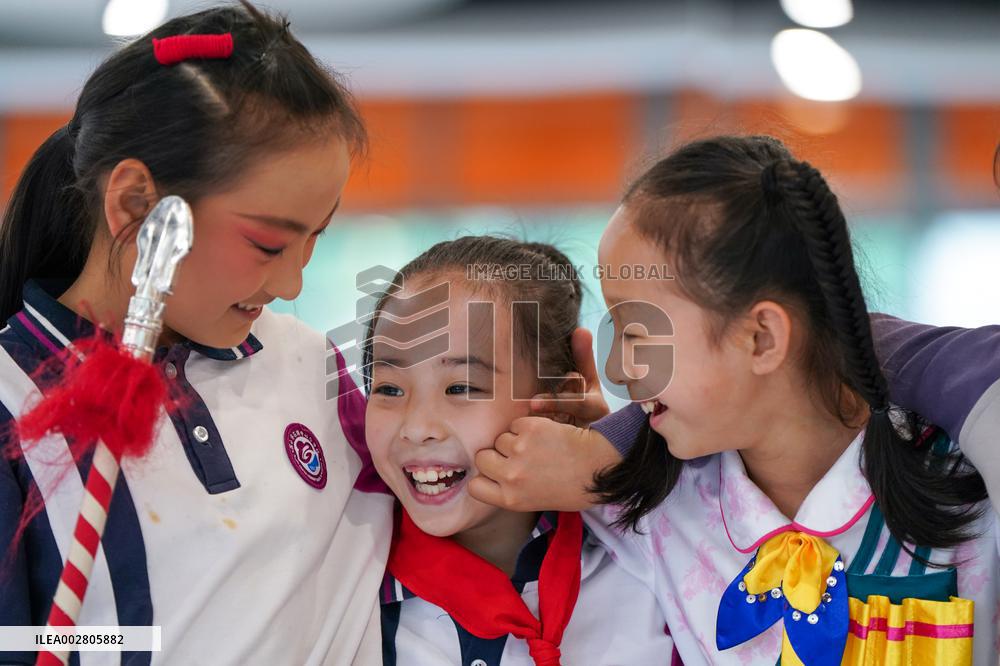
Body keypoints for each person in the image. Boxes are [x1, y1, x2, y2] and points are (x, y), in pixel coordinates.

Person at [0, 3, 393, 664]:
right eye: (268, 244)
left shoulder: (312, 364)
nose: (292, 283)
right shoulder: (11, 400)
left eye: (315, 238)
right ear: (136, 204)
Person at [364, 236, 676, 665]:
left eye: (461, 387)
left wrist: (606, 451)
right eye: (388, 389)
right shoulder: (352, 586)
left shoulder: (652, 546)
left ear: (561, 402)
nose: (417, 428)